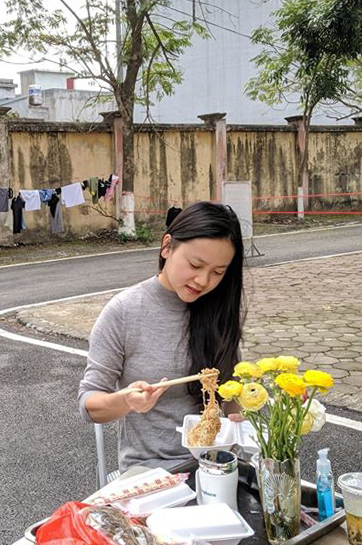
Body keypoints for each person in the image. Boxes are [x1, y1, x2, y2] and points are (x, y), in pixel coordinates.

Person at [78, 201, 246, 472]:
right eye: (195, 264)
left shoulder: (218, 309)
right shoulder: (124, 311)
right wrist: (127, 401)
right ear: (167, 246)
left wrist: (249, 409)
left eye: (217, 272)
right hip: (152, 469)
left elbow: (231, 394)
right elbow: (89, 404)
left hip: (218, 462)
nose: (203, 281)